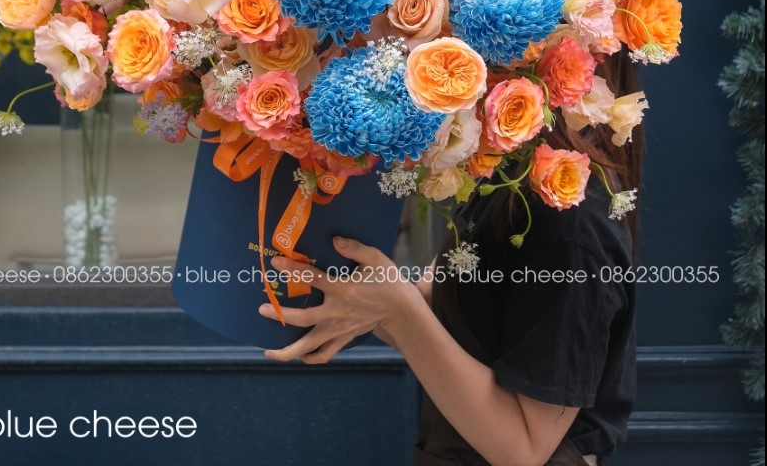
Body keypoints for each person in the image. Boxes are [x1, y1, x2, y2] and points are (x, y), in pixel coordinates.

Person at [259, 52, 641, 466]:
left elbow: (525, 450)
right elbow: (451, 317)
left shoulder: (569, 221)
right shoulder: (509, 185)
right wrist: (364, 297)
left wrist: (397, 312)